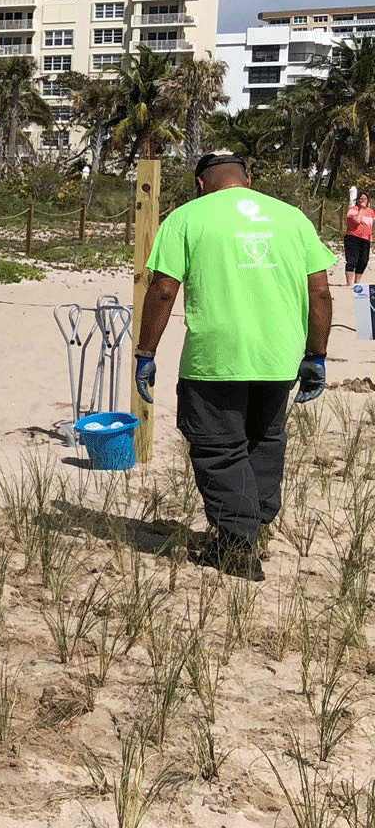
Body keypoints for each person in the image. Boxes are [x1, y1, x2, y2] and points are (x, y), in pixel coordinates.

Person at [136, 152, 332, 577]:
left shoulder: (187, 218)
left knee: (218, 447)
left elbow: (163, 290)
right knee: (264, 441)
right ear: (249, 177)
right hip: (279, 357)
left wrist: (145, 353)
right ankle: (251, 526)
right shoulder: (293, 218)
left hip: (215, 359)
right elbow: (320, 292)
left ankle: (237, 548)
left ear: (200, 183)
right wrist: (316, 355)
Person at [345, 188, 372, 288]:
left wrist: (371, 237)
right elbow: (357, 220)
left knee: (363, 261)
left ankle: (357, 282)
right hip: (353, 237)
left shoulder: (371, 212)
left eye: (365, 199)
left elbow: (370, 225)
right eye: (361, 198)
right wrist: (361, 209)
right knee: (352, 261)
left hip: (366, 239)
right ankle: (349, 283)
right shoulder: (353, 209)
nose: (362, 200)